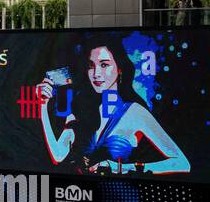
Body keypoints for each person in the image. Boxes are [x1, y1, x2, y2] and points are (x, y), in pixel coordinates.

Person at [35, 35, 190, 175]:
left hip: (121, 198)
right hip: (81, 193)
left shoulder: (134, 112)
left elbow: (181, 163)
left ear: (120, 68)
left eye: (104, 65)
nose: (96, 73)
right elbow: (58, 155)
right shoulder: (79, 110)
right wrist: (42, 106)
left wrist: (120, 167)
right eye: (91, 65)